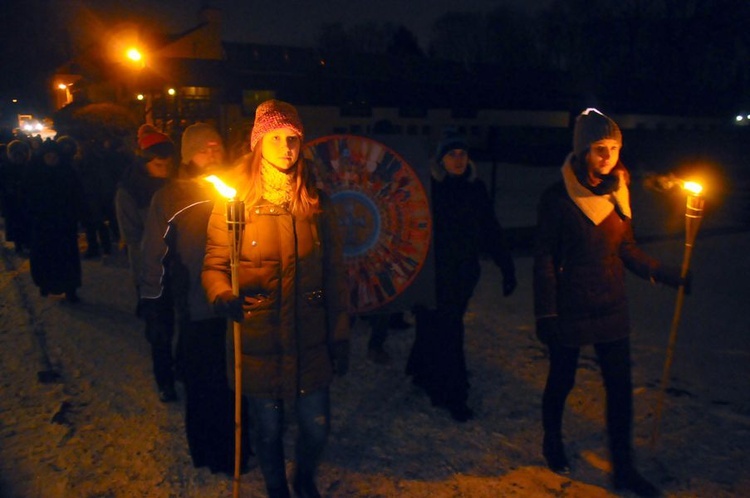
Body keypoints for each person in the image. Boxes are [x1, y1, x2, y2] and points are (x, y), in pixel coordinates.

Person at [533, 108, 685, 497]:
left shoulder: (620, 192)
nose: (608, 156)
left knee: (620, 389)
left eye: (614, 148)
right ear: (583, 150)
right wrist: (546, 313)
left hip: (612, 305)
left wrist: (664, 272)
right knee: (562, 379)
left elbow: (627, 249)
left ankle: (625, 469)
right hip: (569, 305)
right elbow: (545, 259)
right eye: (600, 148)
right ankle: (552, 439)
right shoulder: (558, 198)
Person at [202, 100, 349, 498]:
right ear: (258, 142)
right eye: (276, 137)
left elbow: (335, 273)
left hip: (310, 340)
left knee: (317, 425)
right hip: (258, 341)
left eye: (293, 139)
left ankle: (304, 479)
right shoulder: (235, 203)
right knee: (267, 430)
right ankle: (276, 489)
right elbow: (214, 265)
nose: (286, 147)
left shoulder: (316, 202)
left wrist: (340, 333)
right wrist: (223, 295)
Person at [139, 122, 252, 473]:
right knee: (206, 382)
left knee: (240, 381)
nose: (213, 153)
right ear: (189, 155)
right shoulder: (171, 196)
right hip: (197, 304)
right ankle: (211, 450)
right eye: (204, 148)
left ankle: (240, 446)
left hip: (239, 301)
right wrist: (153, 299)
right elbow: (154, 254)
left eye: (217, 146)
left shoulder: (239, 187)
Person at [406, 131, 517, 422]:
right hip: (429, 272)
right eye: (452, 154)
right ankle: (447, 389)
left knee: (446, 326)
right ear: (440, 159)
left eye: (462, 154)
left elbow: (490, 227)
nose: (458, 160)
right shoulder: (427, 187)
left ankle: (435, 379)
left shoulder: (475, 188)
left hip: (463, 273)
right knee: (438, 326)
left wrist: (506, 265)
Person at [23, 138, 85, 302]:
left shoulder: (67, 172)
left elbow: (77, 195)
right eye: (48, 157)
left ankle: (70, 288)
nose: (52, 159)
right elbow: (27, 197)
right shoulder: (35, 173)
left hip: (64, 223)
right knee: (45, 257)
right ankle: (46, 285)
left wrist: (76, 215)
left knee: (67, 258)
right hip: (43, 224)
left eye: (54, 157)